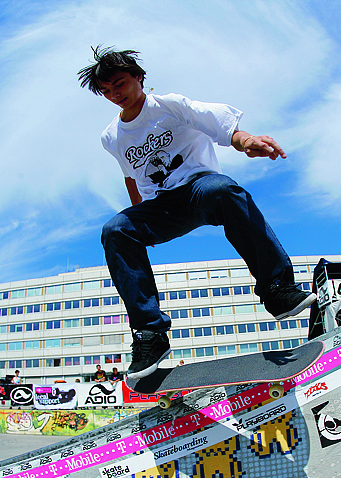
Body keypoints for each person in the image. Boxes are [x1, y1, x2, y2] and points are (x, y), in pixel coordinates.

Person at [78, 47, 316, 381]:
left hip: (198, 190)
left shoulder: (169, 106)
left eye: (120, 83)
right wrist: (137, 219)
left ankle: (276, 289)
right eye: (107, 91)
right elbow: (130, 176)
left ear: (139, 78)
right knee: (115, 229)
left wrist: (246, 141)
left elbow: (219, 126)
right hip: (161, 207)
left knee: (223, 189)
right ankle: (150, 334)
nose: (115, 94)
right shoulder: (111, 137)